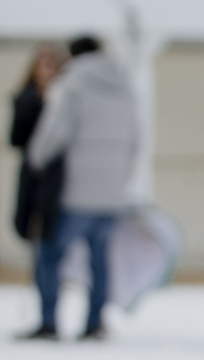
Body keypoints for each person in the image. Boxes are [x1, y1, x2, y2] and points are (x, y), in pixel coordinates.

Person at [22, 36, 139, 341]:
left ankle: (49, 321)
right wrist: (122, 182)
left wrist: (36, 158)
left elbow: (54, 132)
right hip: (112, 193)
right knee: (99, 260)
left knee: (49, 254)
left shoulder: (72, 85)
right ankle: (94, 322)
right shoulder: (126, 88)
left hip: (74, 191)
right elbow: (137, 140)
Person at [10, 44, 68, 256]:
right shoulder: (25, 99)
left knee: (55, 229)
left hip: (59, 174)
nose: (49, 72)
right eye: (44, 66)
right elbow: (16, 138)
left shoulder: (67, 101)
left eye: (53, 66)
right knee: (31, 226)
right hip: (33, 173)